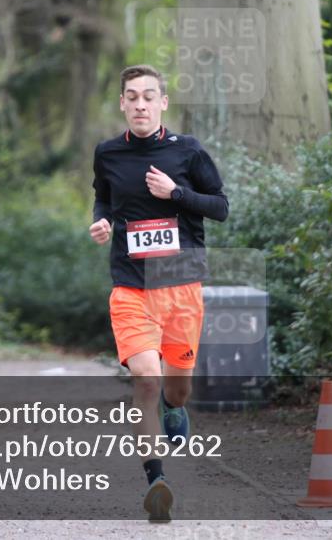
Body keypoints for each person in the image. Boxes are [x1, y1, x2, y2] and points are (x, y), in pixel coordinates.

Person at [89, 64, 229, 522]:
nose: (141, 104)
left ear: (163, 103)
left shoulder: (187, 151)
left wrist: (177, 194)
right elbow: (103, 197)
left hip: (182, 286)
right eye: (132, 96)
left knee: (176, 388)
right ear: (123, 104)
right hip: (131, 287)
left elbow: (221, 207)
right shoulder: (107, 154)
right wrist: (103, 220)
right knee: (145, 380)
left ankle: (175, 405)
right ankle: (156, 482)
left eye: (149, 96)